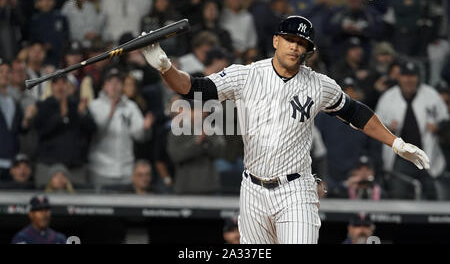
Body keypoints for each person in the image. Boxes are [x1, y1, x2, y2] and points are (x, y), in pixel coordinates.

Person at [142, 15, 430, 244]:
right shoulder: (247, 75)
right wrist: (164, 66)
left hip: (295, 189)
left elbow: (356, 112)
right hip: (252, 189)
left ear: (307, 50)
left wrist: (396, 143)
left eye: (301, 43)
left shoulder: (319, 84)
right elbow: (194, 89)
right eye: (290, 39)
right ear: (276, 40)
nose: (295, 46)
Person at [376, 61, 449, 200]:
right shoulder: (388, 98)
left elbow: (445, 120)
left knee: (433, 197)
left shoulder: (431, 95)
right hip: (400, 157)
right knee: (398, 197)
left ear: (418, 78)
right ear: (399, 77)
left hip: (426, 155)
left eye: (412, 76)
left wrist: (438, 127)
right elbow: (375, 126)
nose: (409, 80)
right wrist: (387, 128)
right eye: (405, 76)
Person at [88, 68, 153, 190]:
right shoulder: (94, 106)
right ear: (103, 86)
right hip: (100, 169)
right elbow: (95, 132)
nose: (114, 86)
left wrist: (144, 128)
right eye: (110, 82)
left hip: (125, 169)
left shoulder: (130, 106)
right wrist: (110, 113)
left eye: (118, 83)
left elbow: (139, 136)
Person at [33, 74, 96, 189]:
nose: (60, 87)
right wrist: (60, 116)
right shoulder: (43, 106)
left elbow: (92, 129)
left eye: (63, 83)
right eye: (56, 83)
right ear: (52, 86)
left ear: (69, 86)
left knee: (78, 205)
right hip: (48, 166)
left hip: (75, 167)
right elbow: (40, 131)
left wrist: (83, 114)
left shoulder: (77, 105)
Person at [0, 59, 33, 182]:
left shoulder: (14, 101)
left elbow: (20, 129)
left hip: (11, 164)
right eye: (1, 72)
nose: (4, 75)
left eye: (8, 72)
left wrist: (27, 119)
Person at [28, 0, 70, 67]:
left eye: (49, 0)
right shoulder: (35, 19)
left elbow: (66, 35)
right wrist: (43, 45)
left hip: (61, 54)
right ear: (39, 3)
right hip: (44, 56)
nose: (47, 2)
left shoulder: (61, 17)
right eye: (44, 0)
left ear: (53, 1)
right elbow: (33, 38)